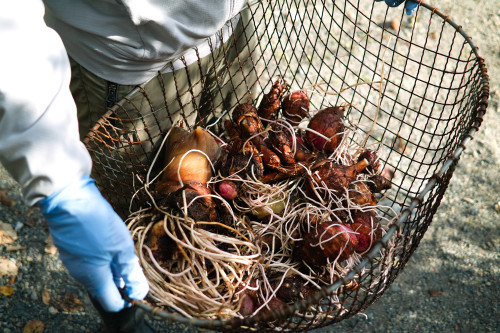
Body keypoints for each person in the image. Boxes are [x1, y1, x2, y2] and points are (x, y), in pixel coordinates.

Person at [0, 1, 418, 332]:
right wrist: (56, 178)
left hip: (229, 29)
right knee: (146, 219)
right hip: (126, 64)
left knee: (236, 153)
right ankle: (129, 316)